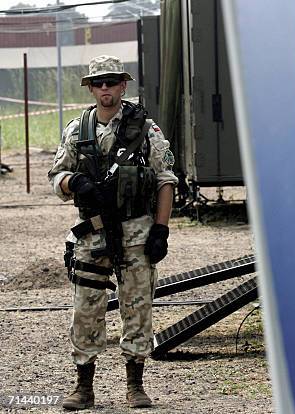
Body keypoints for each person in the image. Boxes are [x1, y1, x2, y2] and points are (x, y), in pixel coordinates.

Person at [48, 55, 178, 410]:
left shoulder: (145, 130)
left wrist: (161, 230)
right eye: (98, 83)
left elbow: (166, 180)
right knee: (86, 310)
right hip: (92, 235)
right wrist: (73, 182)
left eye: (111, 82)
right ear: (90, 88)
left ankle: (135, 385)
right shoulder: (77, 130)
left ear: (123, 85)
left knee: (137, 308)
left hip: (137, 231)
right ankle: (84, 387)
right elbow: (56, 178)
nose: (105, 88)